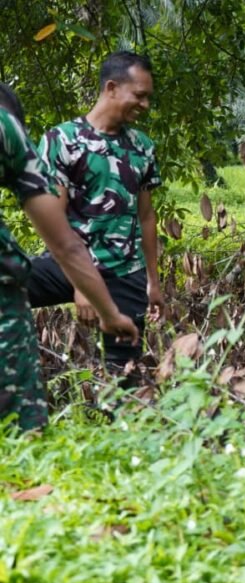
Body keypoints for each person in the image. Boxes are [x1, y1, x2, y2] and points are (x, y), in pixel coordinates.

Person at [0, 83, 139, 431]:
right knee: (19, 423)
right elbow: (64, 243)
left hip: (118, 266)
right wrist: (107, 312)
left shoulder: (138, 147)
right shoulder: (17, 132)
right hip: (53, 270)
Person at [28, 51, 163, 373]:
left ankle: (122, 418)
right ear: (112, 88)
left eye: (148, 98)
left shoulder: (143, 147)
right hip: (66, 266)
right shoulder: (62, 140)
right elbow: (55, 220)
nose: (145, 105)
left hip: (124, 271)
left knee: (126, 374)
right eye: (140, 96)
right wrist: (83, 286)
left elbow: (146, 217)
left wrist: (153, 282)